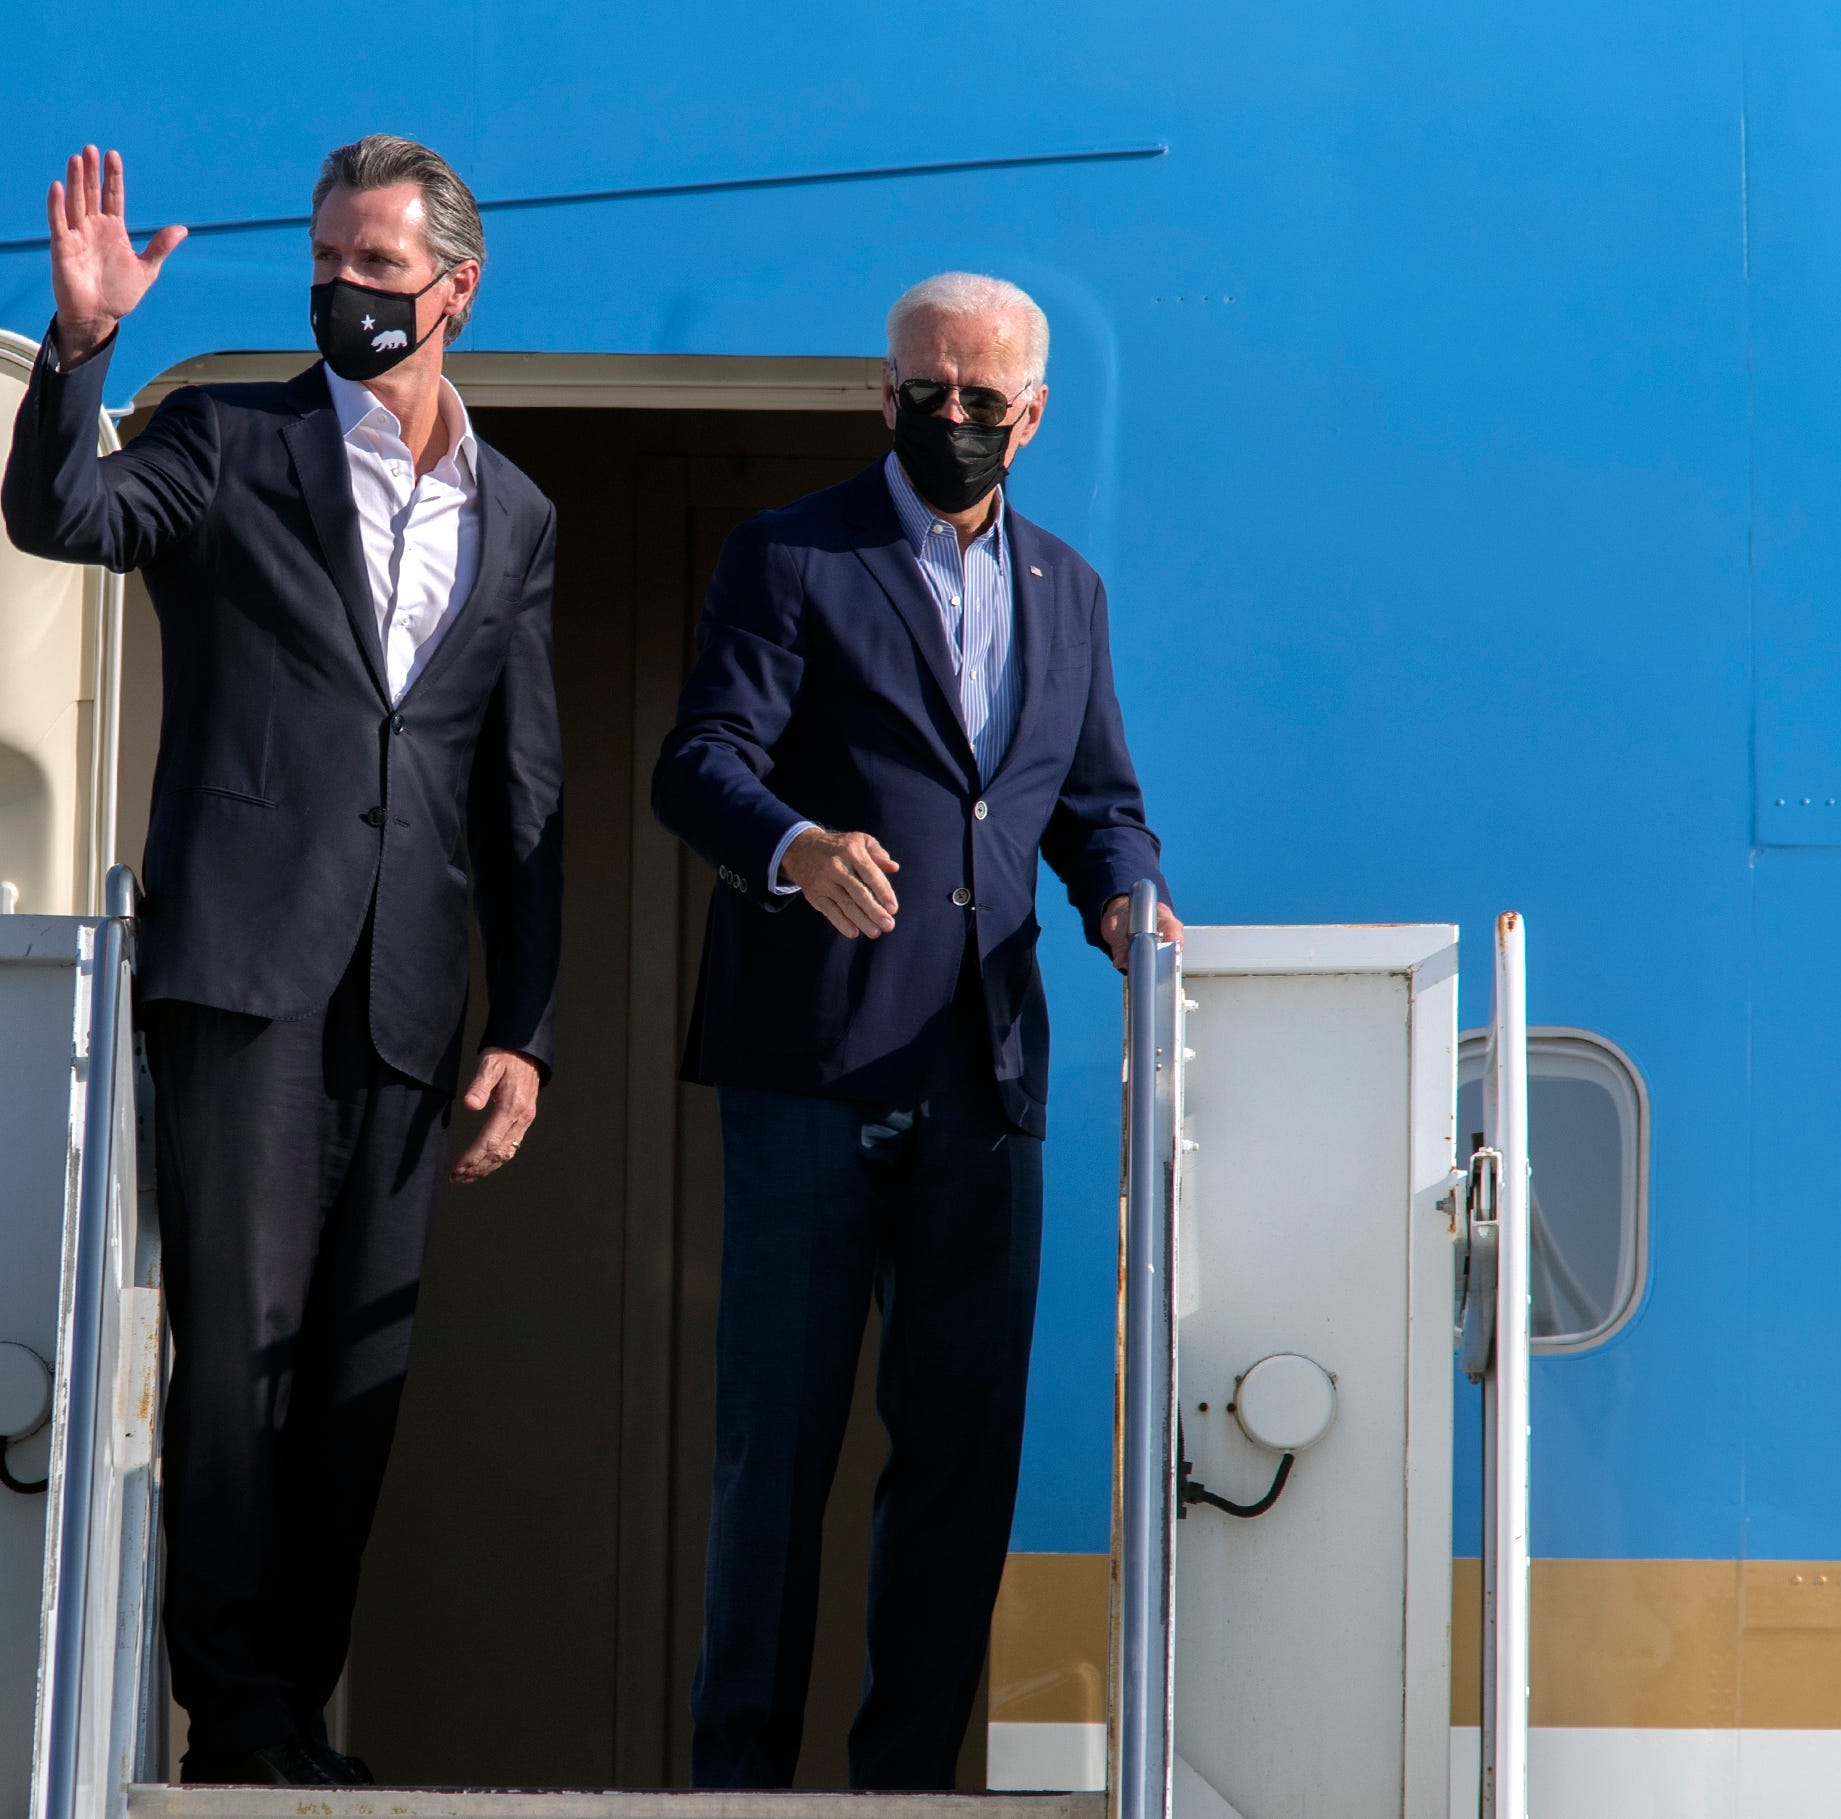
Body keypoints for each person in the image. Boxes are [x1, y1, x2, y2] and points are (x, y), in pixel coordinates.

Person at [1, 135, 564, 1788]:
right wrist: (83, 342)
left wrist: (524, 1023)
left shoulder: (512, 510)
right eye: (328, 264)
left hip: (406, 996)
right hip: (242, 971)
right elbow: (65, 513)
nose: (345, 293)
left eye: (380, 271)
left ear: (455, 289)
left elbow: (521, 788)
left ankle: (289, 1709)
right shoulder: (226, 442)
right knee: (234, 1352)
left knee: (356, 1378)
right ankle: (236, 1717)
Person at [649, 272, 1178, 1790]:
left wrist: (1130, 907)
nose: (950, 419)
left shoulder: (1068, 591)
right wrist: (795, 844)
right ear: (885, 395)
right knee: (780, 1453)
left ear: (1035, 413)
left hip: (984, 1078)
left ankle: (904, 1786)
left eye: (980, 399)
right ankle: (735, 1779)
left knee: (958, 1460)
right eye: (923, 392)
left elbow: (1096, 809)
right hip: (809, 1070)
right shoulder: (792, 557)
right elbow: (701, 761)